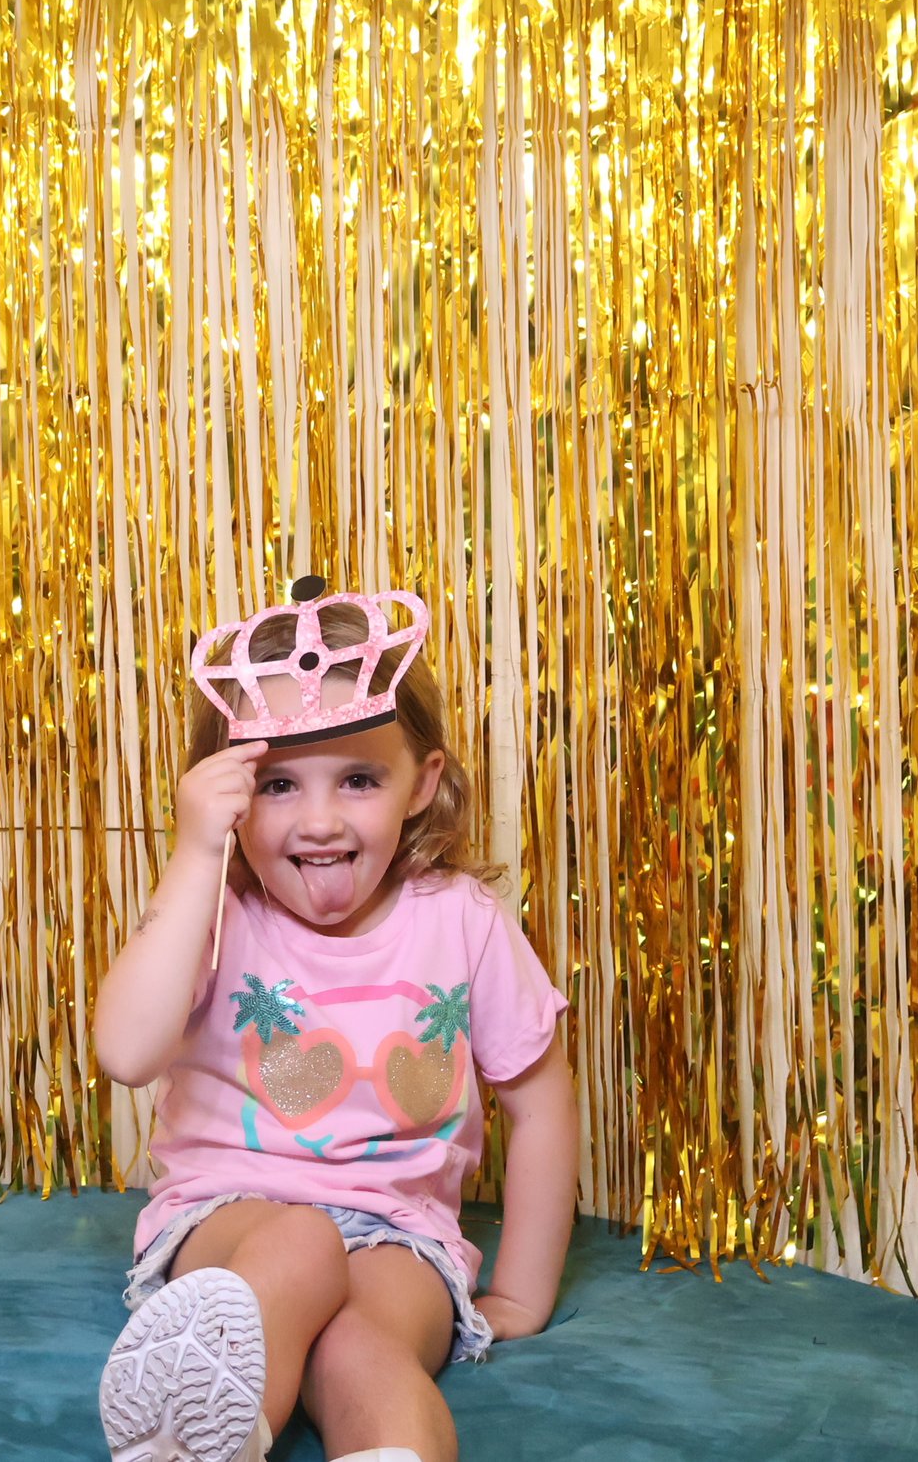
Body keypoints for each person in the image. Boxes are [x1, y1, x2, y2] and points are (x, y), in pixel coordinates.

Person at [95, 583, 578, 1462]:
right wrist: (195, 855)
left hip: (401, 1234)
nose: (319, 820)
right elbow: (126, 1050)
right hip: (230, 1216)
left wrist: (523, 1289)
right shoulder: (215, 911)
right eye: (277, 783)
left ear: (421, 783)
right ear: (230, 798)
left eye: (358, 778)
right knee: (300, 1244)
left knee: (364, 1348)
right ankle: (209, 1433)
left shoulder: (463, 921)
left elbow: (539, 1104)